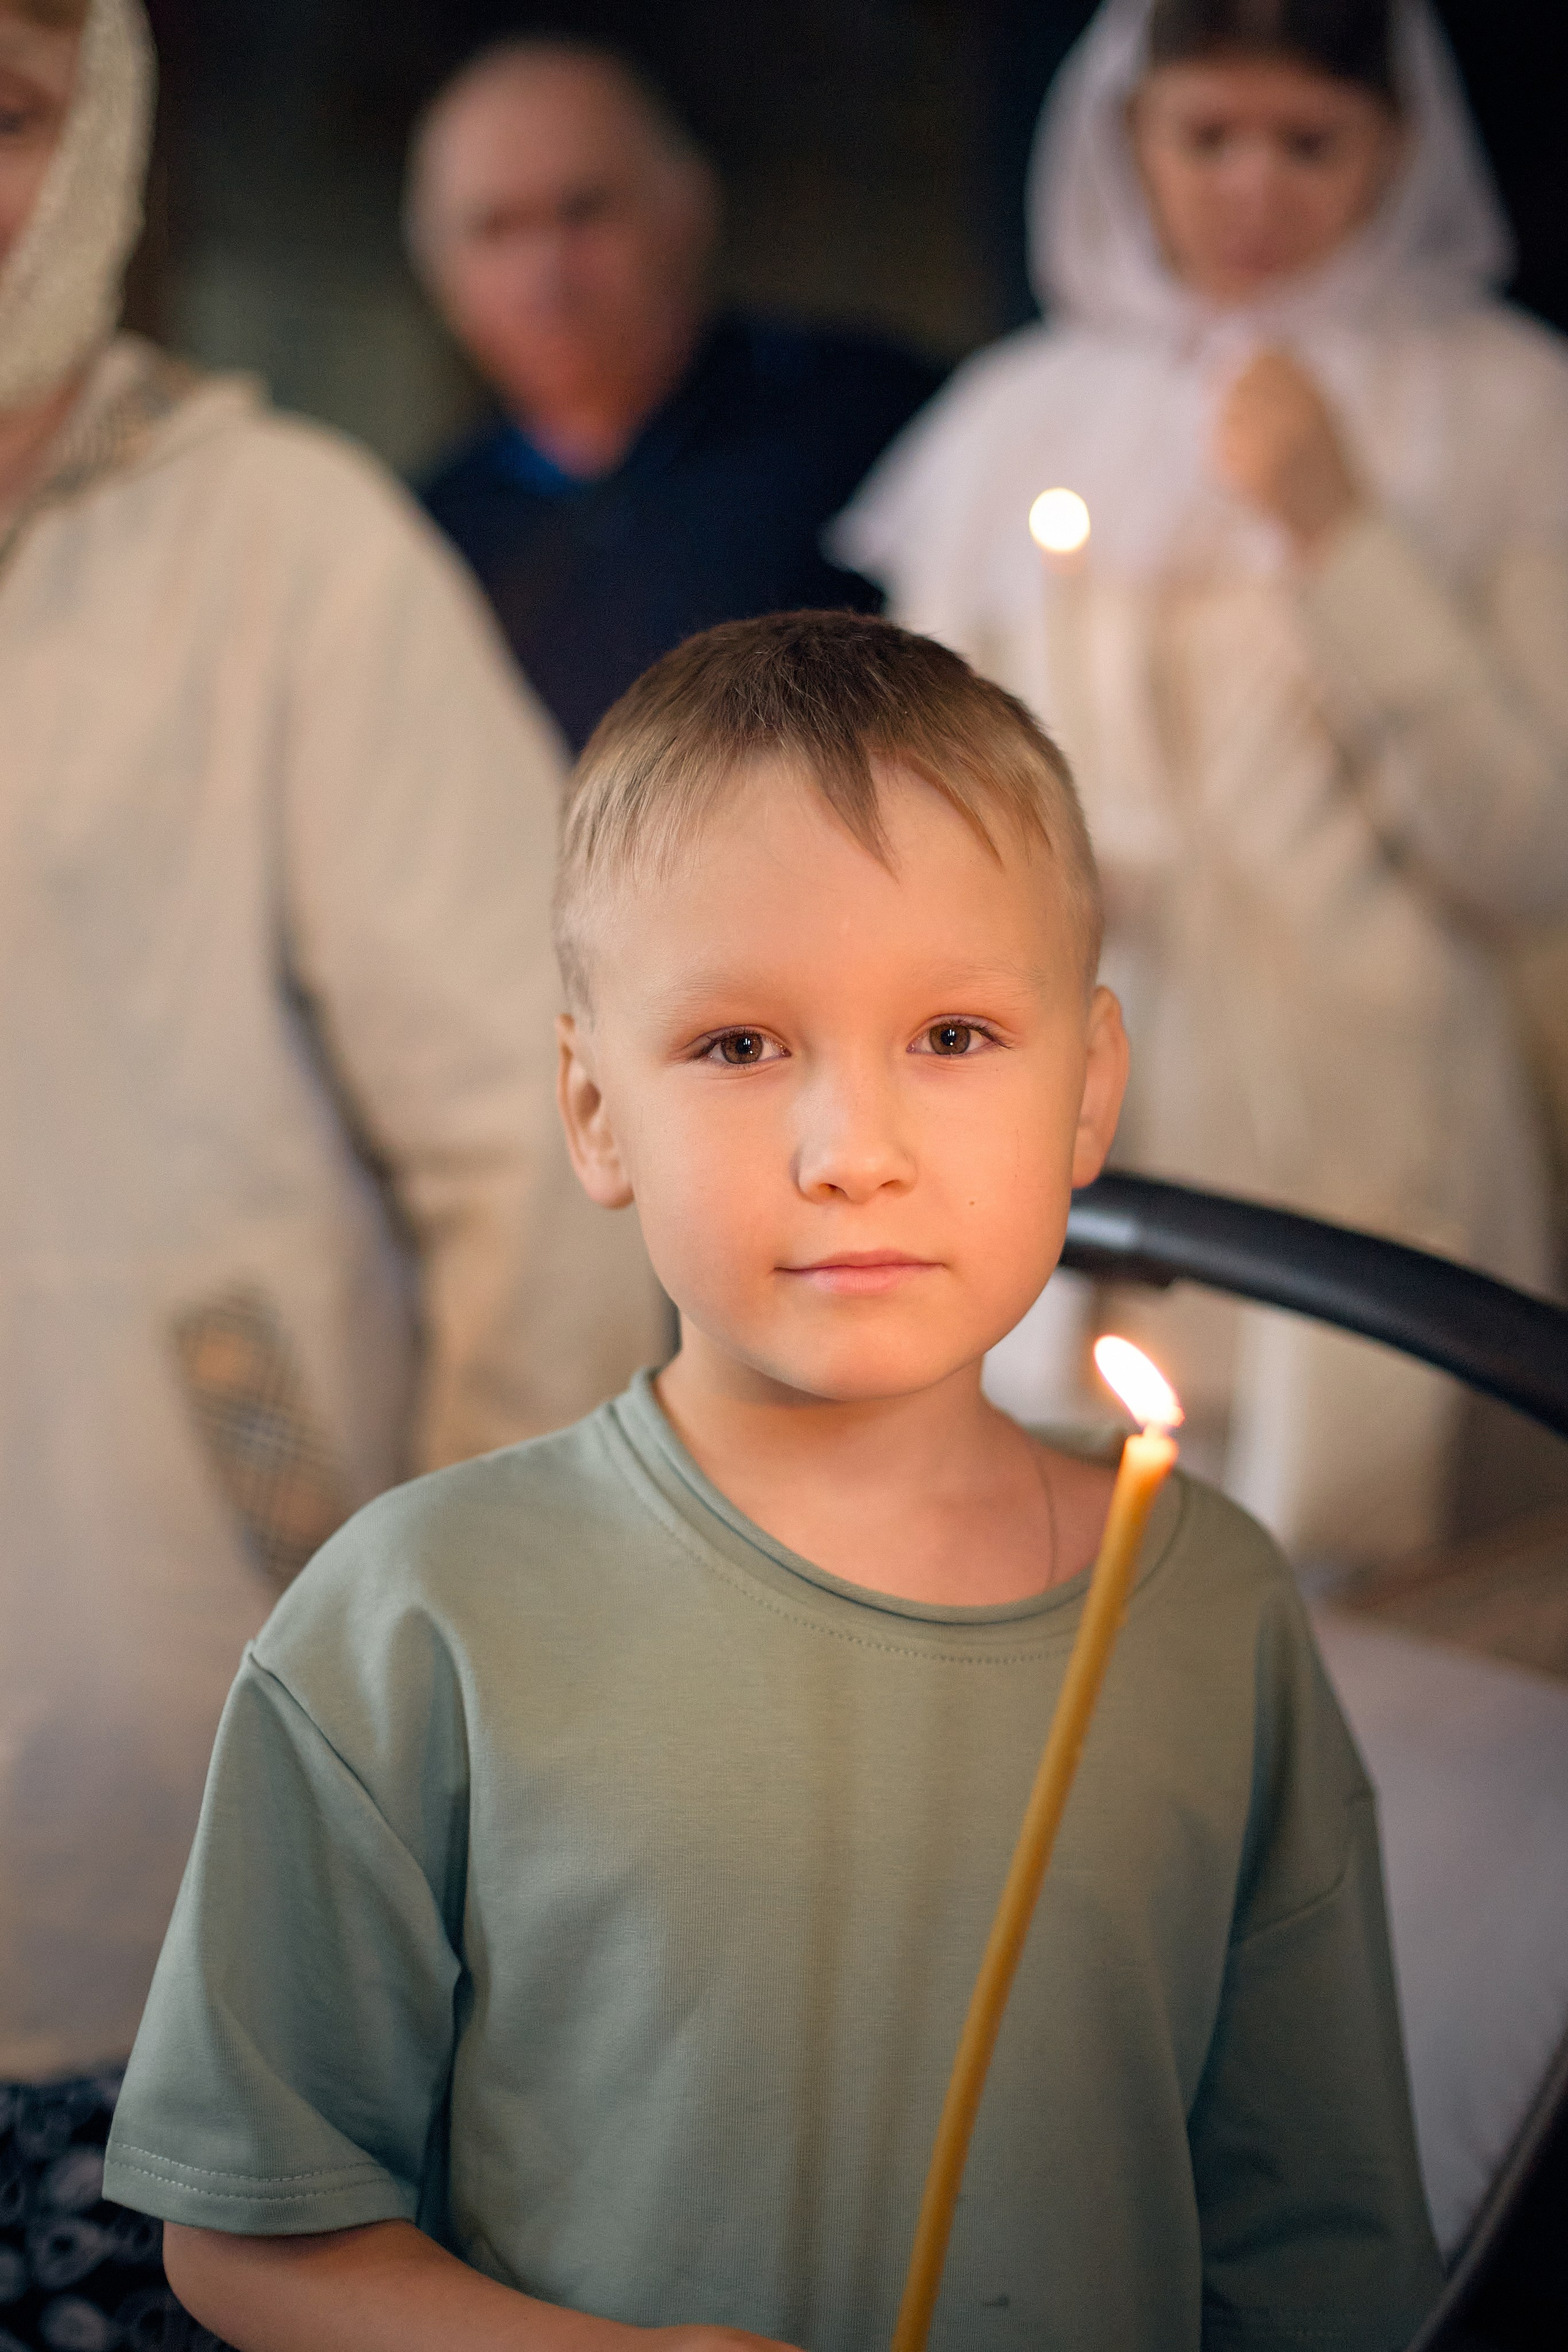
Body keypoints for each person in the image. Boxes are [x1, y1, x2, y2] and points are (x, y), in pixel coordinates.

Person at [104, 612, 1441, 2352]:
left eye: (955, 1037)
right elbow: (252, 2237)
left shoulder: (1213, 1609)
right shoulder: (415, 1616)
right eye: (740, 1048)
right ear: (594, 1112)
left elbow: (1323, 2265)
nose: (854, 1154)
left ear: (1091, 1090)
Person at [1, 1, 665, 2334]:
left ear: (104, 148)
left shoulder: (274, 545)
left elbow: (546, 1111)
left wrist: (428, 1686)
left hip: (188, 1737)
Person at [834, 0, 1568, 1561]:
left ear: (1397, 145)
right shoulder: (1014, 422)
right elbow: (900, 819)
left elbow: (1529, 847)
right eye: (1205, 137)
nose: (1250, 188)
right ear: (1126, 134)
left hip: (1374, 1164)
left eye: (1306, 143)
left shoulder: (1504, 412)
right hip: (1068, 1153)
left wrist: (1339, 537)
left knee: (1375, 1691)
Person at [406, 38, 944, 752]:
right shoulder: (431, 540)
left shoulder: (870, 418)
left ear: (686, 206)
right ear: (440, 276)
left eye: (583, 211)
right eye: (497, 229)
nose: (547, 271)